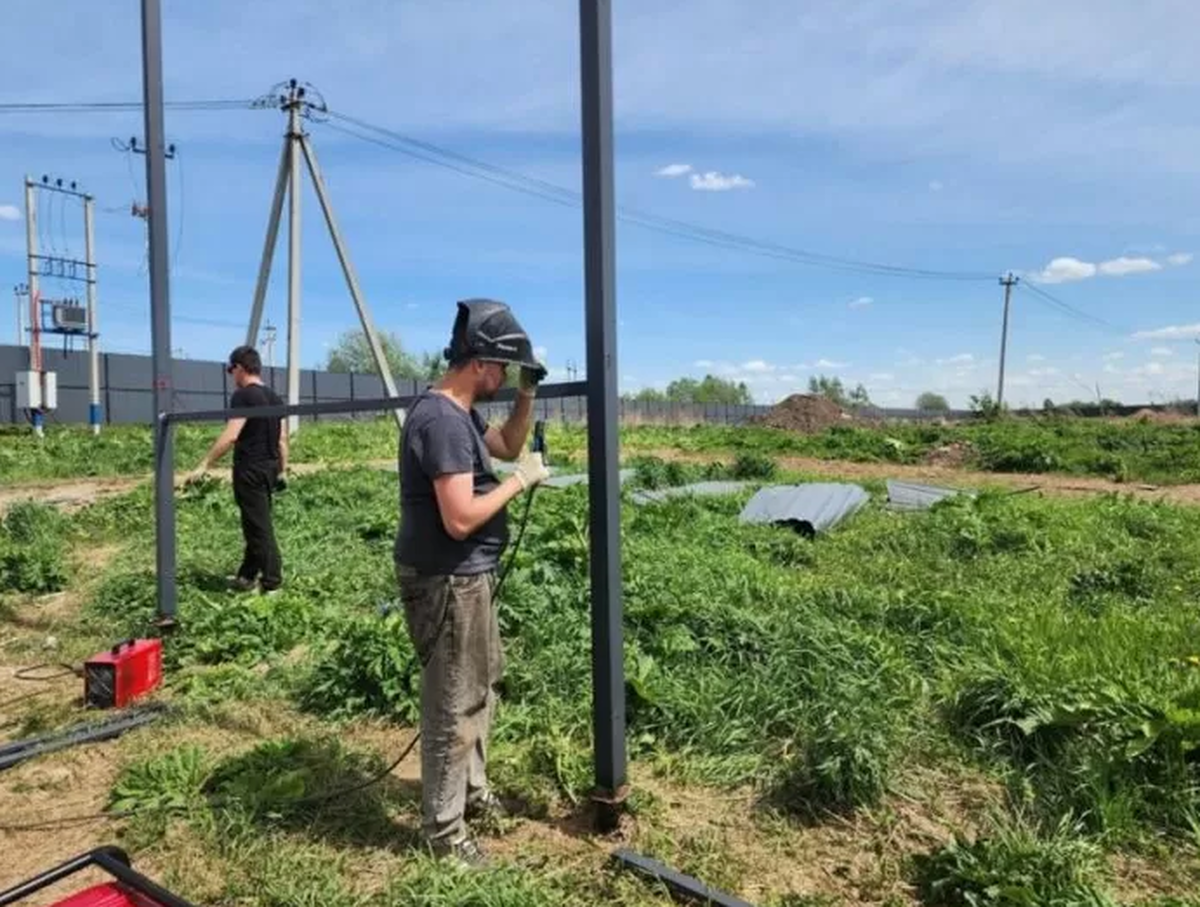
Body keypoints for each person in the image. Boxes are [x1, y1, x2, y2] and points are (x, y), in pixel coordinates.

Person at [395, 299, 551, 865]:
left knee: (480, 687)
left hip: (467, 577)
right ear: (481, 362)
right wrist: (519, 484)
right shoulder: (441, 421)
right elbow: (459, 517)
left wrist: (528, 396)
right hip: (447, 581)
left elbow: (507, 445)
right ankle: (444, 833)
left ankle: (472, 793)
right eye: (505, 371)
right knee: (452, 706)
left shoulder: (460, 416)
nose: (505, 380)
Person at [191, 345, 288, 594]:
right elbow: (282, 440)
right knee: (255, 522)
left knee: (258, 527)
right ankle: (246, 576)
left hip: (250, 470)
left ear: (240, 368)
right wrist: (281, 471)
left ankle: (272, 582)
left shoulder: (244, 396)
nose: (231, 376)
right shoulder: (275, 397)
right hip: (269, 467)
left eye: (230, 370)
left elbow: (232, 434)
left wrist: (205, 464)